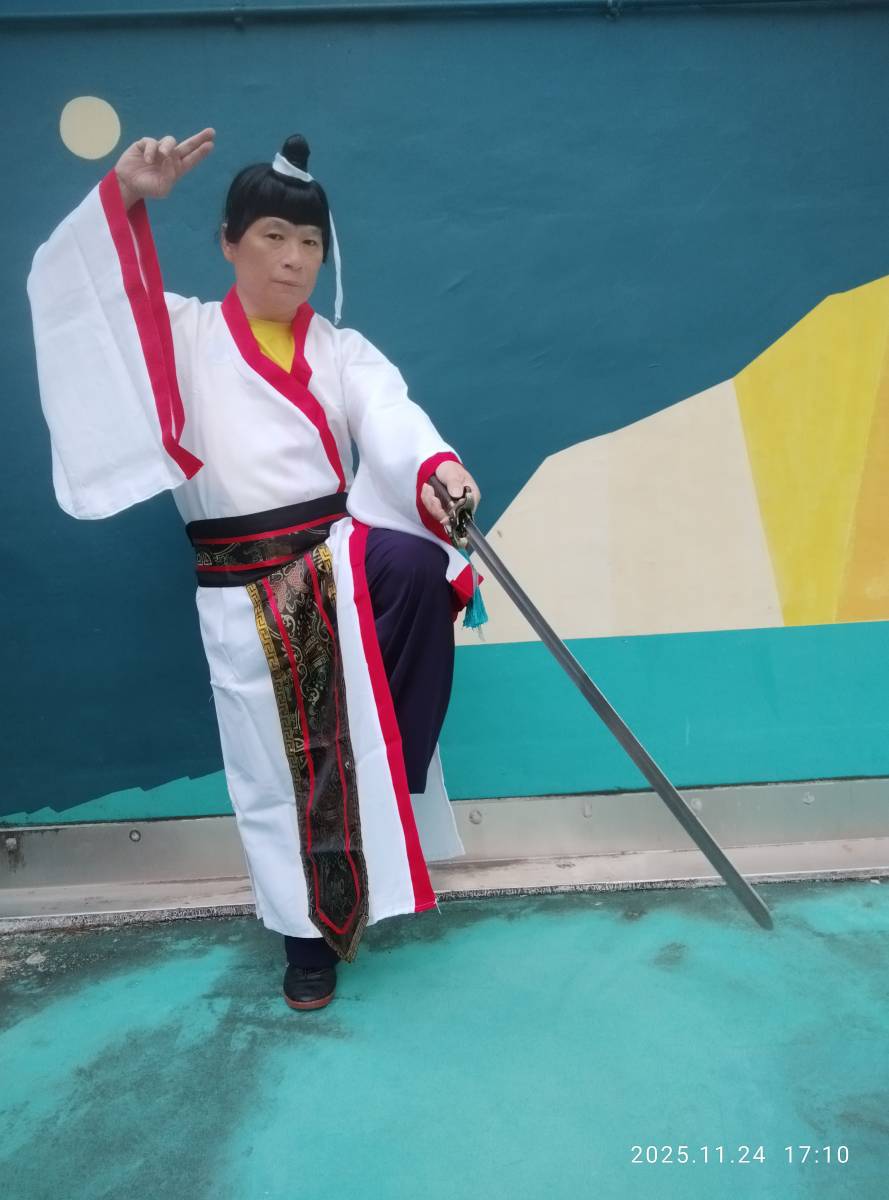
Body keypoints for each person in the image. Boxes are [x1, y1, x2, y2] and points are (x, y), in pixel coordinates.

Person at [27, 128, 482, 1011]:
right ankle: (304, 940)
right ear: (229, 242)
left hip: (335, 559)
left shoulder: (341, 351)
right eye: (273, 236)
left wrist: (439, 471)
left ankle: (383, 772)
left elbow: (390, 418)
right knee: (280, 773)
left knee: (416, 567)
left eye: (309, 241)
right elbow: (86, 303)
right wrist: (125, 195)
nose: (294, 258)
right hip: (243, 587)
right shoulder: (181, 334)